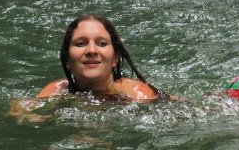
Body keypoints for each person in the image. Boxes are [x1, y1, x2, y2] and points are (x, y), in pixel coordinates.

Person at [9, 14, 161, 121]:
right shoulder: (57, 90)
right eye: (80, 44)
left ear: (115, 58)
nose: (91, 51)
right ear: (67, 60)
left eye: (102, 43)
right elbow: (20, 111)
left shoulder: (138, 94)